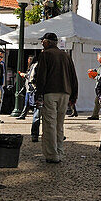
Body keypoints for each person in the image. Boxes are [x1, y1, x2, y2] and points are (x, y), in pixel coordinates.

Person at [30, 32, 78, 163]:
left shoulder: (45, 54)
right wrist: (73, 96)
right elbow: (73, 76)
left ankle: (52, 155)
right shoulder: (65, 55)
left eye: (43, 41)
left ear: (48, 42)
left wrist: (38, 95)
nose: (41, 43)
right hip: (65, 92)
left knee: (49, 124)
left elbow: (41, 77)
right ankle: (60, 152)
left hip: (50, 92)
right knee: (59, 124)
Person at [87, 52, 101, 120]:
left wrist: (94, 76)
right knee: (97, 101)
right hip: (100, 87)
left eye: (98, 57)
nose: (97, 59)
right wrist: (93, 70)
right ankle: (95, 115)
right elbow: (99, 71)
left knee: (98, 101)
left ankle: (95, 115)